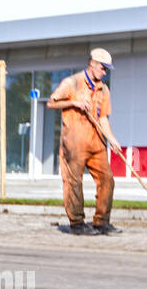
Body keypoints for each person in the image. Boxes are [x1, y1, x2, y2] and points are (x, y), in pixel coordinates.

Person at [47, 48, 122, 235]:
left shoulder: (104, 90)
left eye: (106, 70)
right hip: (74, 143)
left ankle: (101, 222)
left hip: (96, 143)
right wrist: (74, 103)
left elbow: (103, 118)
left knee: (107, 180)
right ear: (93, 63)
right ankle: (77, 223)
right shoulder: (72, 83)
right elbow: (51, 102)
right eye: (103, 68)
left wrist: (112, 139)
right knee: (74, 182)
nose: (105, 73)